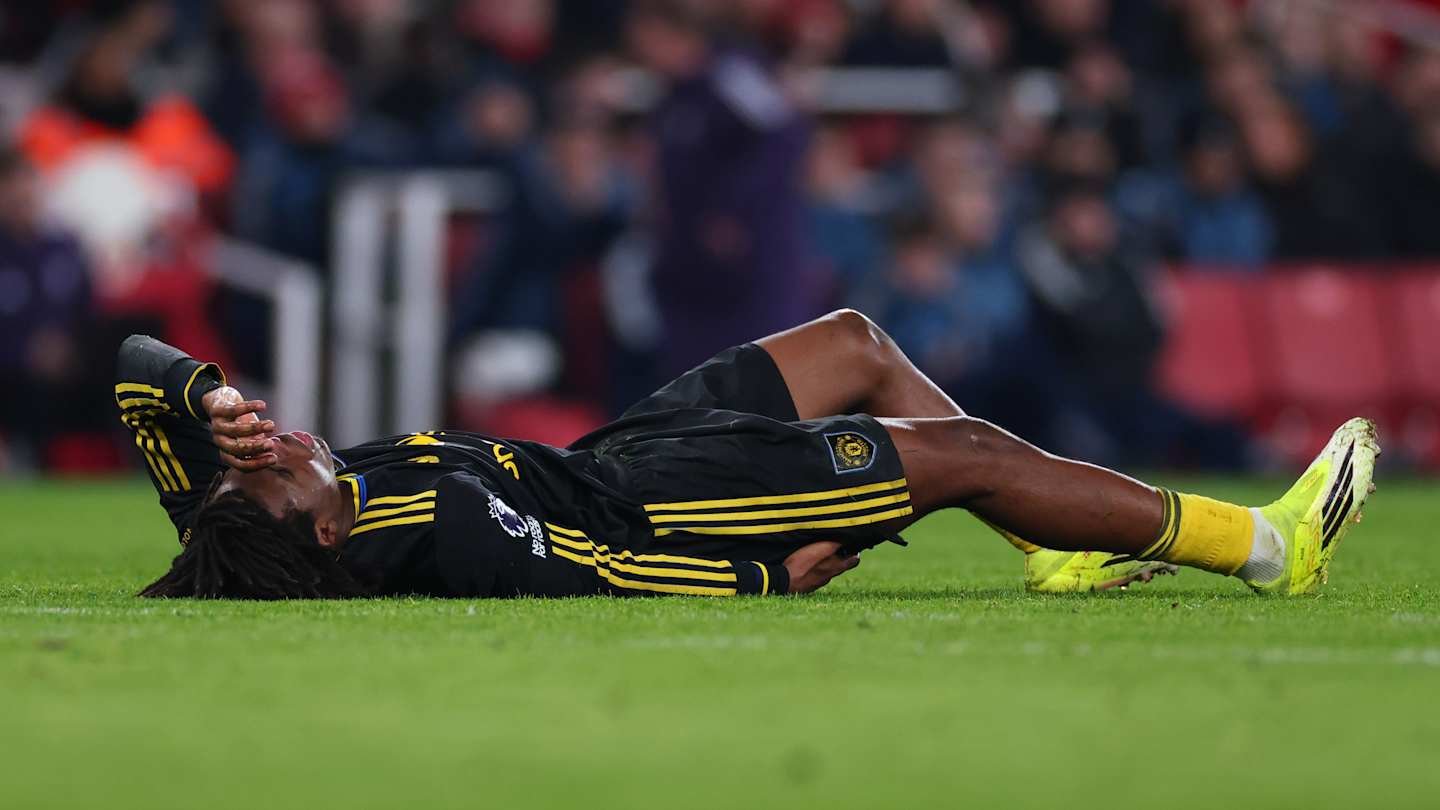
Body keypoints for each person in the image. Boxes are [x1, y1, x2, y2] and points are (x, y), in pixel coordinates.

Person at [118, 310, 1377, 600]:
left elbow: (134, 363)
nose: (272, 443)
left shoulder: (233, 518)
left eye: (250, 452)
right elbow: (593, 572)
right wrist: (762, 582)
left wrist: (200, 391)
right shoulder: (426, 530)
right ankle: (1272, 548)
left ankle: (1058, 548)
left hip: (607, 450)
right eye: (276, 462)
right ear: (329, 528)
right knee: (969, 450)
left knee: (856, 342)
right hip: (670, 509)